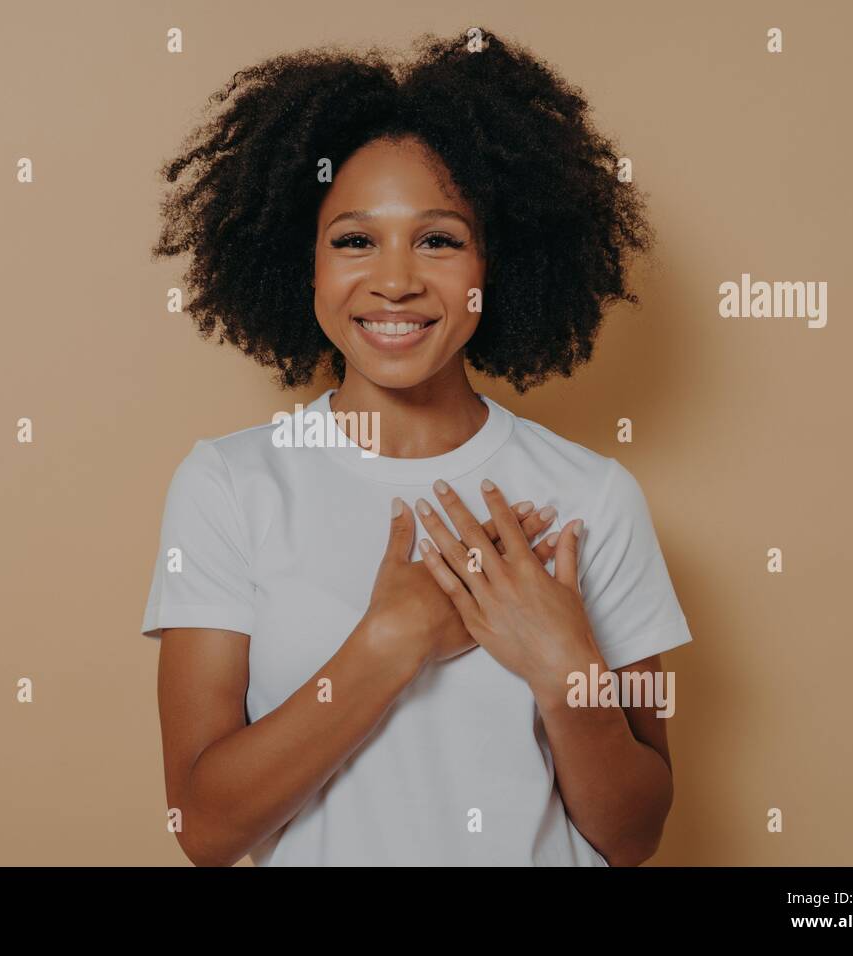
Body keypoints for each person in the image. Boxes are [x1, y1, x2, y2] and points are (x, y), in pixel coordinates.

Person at [140, 28, 693, 866]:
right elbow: (206, 830)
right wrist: (391, 641)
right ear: (305, 265)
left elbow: (634, 833)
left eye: (439, 239)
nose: (395, 280)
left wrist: (563, 665)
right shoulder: (228, 486)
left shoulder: (593, 495)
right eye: (354, 239)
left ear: (495, 264)